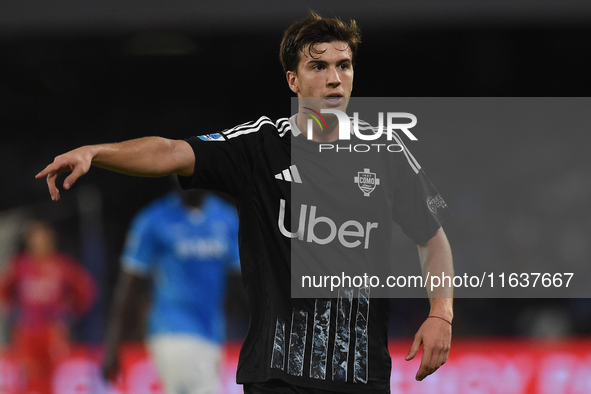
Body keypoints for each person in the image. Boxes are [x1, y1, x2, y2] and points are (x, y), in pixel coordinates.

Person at [36, 12, 454, 393]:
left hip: (362, 375)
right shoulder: (260, 146)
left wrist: (441, 313)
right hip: (276, 375)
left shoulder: (386, 150)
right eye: (318, 66)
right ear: (293, 80)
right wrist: (97, 152)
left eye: (343, 66)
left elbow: (432, 238)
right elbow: (170, 152)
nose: (334, 79)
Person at [101, 187, 240, 394]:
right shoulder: (153, 219)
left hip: (212, 333)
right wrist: (113, 345)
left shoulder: (226, 218)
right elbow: (128, 288)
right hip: (172, 331)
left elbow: (241, 283)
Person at [0, 220, 96, 394]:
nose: (41, 244)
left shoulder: (63, 266)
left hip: (53, 332)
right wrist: (14, 315)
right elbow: (4, 291)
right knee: (28, 377)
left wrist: (68, 316)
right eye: (36, 240)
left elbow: (86, 291)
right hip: (27, 332)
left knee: (52, 378)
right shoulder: (20, 266)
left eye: (44, 239)